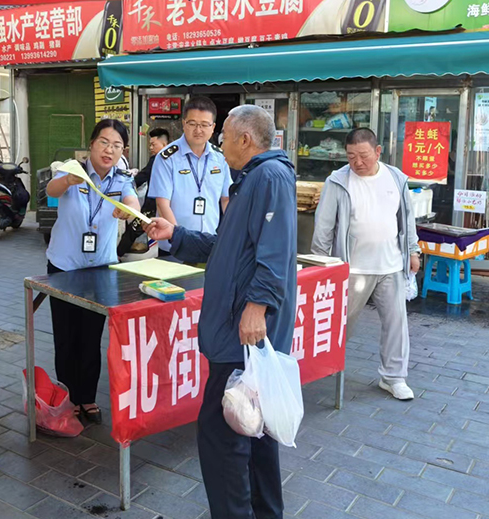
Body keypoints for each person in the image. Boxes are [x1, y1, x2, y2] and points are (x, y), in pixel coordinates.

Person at [145, 105, 297, 518]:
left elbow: (275, 252)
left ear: (245, 139)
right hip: (238, 329)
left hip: (241, 332)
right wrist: (176, 234)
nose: (219, 143)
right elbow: (228, 247)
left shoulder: (268, 176)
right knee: (254, 429)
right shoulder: (251, 179)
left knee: (222, 435)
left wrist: (257, 307)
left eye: (224, 135)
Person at [311, 128, 420, 401]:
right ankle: (321, 366)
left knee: (396, 324)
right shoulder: (338, 181)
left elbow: (406, 219)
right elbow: (323, 226)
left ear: (378, 151)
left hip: (391, 265)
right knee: (340, 322)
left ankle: (394, 377)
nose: (357, 162)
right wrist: (320, 264)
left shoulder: (396, 178)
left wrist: (413, 251)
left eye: (363, 155)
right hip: (352, 268)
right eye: (351, 156)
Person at [45, 119, 140, 424]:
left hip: (100, 268)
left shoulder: (122, 178)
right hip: (64, 265)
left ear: (123, 150)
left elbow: (132, 202)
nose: (109, 150)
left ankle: (87, 397)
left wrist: (128, 210)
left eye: (117, 145)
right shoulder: (72, 169)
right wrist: (68, 182)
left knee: (91, 335)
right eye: (104, 142)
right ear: (91, 144)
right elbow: (50, 189)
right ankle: (69, 396)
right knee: (66, 335)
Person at [149, 96, 232, 257]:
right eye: (192, 124)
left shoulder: (220, 157)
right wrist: (179, 238)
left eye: (204, 125)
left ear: (213, 127)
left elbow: (226, 199)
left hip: (208, 244)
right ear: (183, 123)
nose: (198, 130)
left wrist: (230, 235)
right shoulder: (167, 158)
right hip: (174, 247)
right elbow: (162, 204)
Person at [116, 129, 170, 257]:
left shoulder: (158, 159)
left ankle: (117, 255)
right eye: (150, 145)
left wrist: (127, 186)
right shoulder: (172, 159)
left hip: (152, 206)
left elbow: (143, 176)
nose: (150, 148)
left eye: (153, 144)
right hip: (164, 205)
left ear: (164, 144)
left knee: (133, 230)